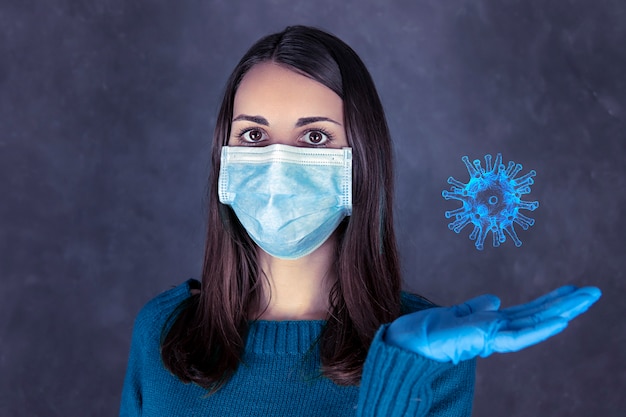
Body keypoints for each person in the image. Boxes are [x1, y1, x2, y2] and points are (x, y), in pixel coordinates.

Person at [119, 25, 601, 416]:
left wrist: (400, 376)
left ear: (361, 161)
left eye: (313, 138)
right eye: (253, 134)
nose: (278, 165)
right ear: (224, 157)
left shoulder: (433, 351)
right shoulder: (164, 333)